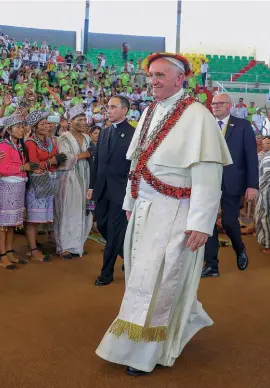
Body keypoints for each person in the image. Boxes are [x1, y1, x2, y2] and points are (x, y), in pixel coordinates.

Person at [95, 52, 232, 375]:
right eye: (151, 76)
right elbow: (137, 162)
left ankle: (146, 351)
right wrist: (131, 203)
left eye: (159, 75)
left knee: (162, 280)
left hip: (176, 213)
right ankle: (172, 324)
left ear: (179, 78)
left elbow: (208, 174)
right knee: (141, 279)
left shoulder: (198, 115)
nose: (152, 81)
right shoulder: (150, 110)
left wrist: (201, 223)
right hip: (144, 209)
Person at [202, 93, 259, 278]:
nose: (215, 106)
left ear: (229, 106)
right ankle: (212, 266)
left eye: (220, 103)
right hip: (208, 181)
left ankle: (240, 248)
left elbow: (251, 158)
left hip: (233, 181)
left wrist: (252, 185)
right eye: (213, 103)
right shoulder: (206, 126)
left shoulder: (243, 126)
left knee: (229, 221)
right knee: (207, 222)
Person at [90, 96, 135, 286]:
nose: (108, 110)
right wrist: (92, 186)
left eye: (113, 107)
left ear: (125, 110)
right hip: (102, 189)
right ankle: (127, 255)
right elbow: (97, 162)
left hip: (121, 190)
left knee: (114, 231)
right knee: (101, 226)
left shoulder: (134, 134)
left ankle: (106, 273)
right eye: (107, 107)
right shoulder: (105, 132)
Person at [25, 110, 66, 262]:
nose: (46, 126)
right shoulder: (30, 142)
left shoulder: (49, 140)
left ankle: (34, 247)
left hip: (49, 179)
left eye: (47, 123)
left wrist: (52, 161)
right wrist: (51, 161)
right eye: (42, 124)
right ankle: (33, 250)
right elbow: (34, 165)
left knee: (40, 216)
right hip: (37, 182)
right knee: (33, 218)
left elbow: (52, 159)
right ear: (35, 127)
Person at [0, 114, 38, 269]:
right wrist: (22, 168)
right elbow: (2, 169)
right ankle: (2, 254)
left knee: (12, 223)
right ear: (9, 130)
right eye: (18, 127)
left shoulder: (18, 146)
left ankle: (9, 251)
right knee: (3, 223)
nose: (21, 130)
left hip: (18, 186)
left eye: (22, 126)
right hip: (7, 187)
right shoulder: (3, 145)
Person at [54, 105, 93, 259]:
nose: (83, 122)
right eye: (79, 119)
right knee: (67, 210)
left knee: (83, 209)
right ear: (71, 121)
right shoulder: (64, 137)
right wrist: (85, 154)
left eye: (84, 119)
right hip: (68, 178)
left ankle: (77, 245)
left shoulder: (87, 137)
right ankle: (63, 246)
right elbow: (64, 160)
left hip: (86, 176)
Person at [255, 137, 270, 254]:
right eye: (265, 142)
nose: (266, 144)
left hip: (266, 193)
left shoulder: (266, 157)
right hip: (264, 190)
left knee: (265, 216)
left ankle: (268, 245)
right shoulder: (262, 156)